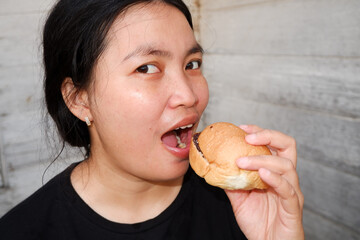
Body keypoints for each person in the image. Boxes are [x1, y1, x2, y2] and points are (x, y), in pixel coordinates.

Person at [0, 0, 304, 239]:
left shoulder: (241, 204)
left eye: (192, 63)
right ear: (79, 99)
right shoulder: (21, 231)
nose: (188, 94)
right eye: (146, 68)